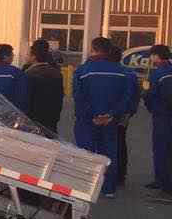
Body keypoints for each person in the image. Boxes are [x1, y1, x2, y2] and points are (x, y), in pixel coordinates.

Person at [73, 37, 140, 198]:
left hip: (87, 120)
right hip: (110, 121)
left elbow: (79, 97)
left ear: (92, 49)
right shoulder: (124, 73)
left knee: (87, 153)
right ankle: (108, 188)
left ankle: (86, 187)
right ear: (109, 51)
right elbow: (127, 97)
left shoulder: (82, 71)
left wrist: (93, 115)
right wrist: (112, 114)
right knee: (109, 153)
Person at [144, 44, 172, 197]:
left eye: (152, 55)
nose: (150, 58)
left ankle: (165, 186)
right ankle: (160, 180)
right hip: (164, 114)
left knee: (162, 150)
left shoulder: (159, 74)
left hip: (163, 116)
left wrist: (149, 101)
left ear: (156, 56)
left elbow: (151, 95)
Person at [106, 42, 135, 186]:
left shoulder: (110, 73)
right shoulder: (130, 73)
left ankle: (110, 174)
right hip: (123, 114)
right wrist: (129, 113)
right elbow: (134, 96)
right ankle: (120, 175)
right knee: (120, 142)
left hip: (109, 114)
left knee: (108, 143)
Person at [23, 38, 64, 136]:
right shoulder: (56, 73)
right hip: (51, 118)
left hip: (33, 119)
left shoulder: (29, 74)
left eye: (27, 54)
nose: (25, 56)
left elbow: (26, 98)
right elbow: (60, 96)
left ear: (34, 57)